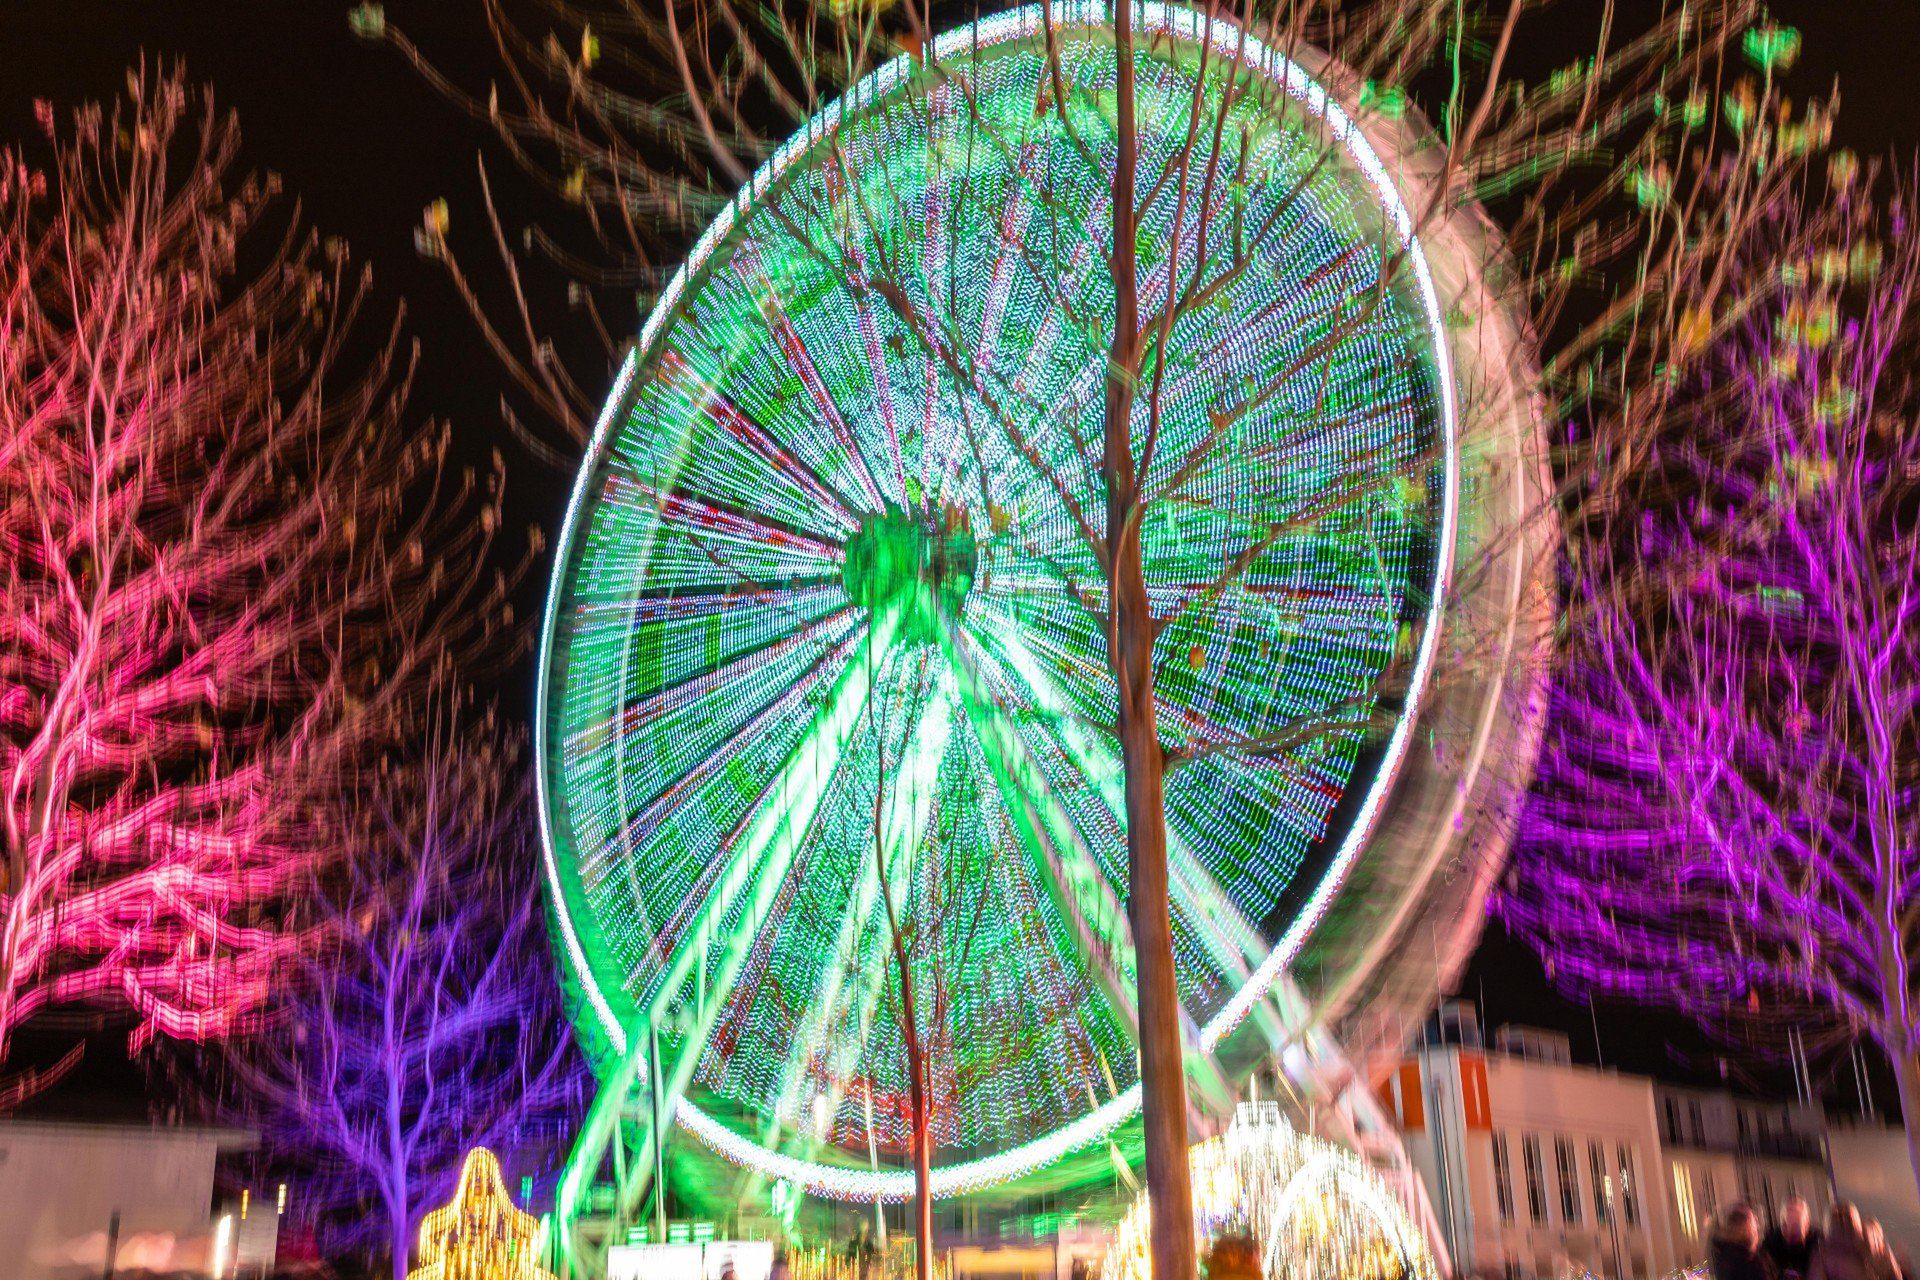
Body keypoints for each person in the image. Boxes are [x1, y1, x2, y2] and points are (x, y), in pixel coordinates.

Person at [1711, 1203, 1779, 1280]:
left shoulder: (1725, 1256)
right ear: (1746, 1230)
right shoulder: (1746, 1263)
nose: (1758, 1227)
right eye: (1754, 1224)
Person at [1811, 1203, 1875, 1280]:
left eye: (1846, 1218)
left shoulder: (1869, 1246)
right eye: (1839, 1218)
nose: (1843, 1221)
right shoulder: (1823, 1256)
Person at [1767, 1197, 1824, 1280]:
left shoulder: (1819, 1244)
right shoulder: (1771, 1244)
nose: (1789, 1230)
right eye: (1784, 1224)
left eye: (1795, 1225)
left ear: (1807, 1224)